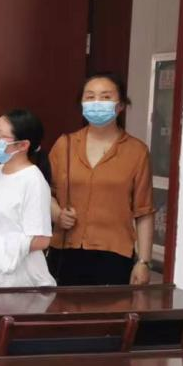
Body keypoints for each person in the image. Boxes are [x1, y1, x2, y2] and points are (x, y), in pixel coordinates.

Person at [48, 72, 154, 286]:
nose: (96, 103)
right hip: (65, 251)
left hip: (114, 255)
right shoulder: (65, 145)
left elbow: (144, 211)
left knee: (109, 308)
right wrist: (57, 214)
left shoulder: (137, 151)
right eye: (90, 97)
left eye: (105, 97)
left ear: (120, 105)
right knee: (60, 307)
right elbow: (45, 193)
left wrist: (144, 261)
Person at [0, 108, 54, 288]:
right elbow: (1, 217)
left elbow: (41, 239)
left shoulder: (33, 181)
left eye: (0, 136)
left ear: (23, 145)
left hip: (17, 278)